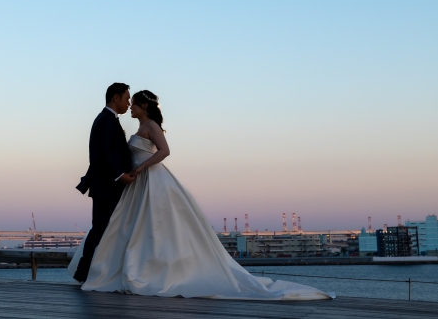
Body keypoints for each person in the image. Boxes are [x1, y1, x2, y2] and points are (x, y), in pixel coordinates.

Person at [69, 89, 335, 300]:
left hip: (152, 178)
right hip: (137, 182)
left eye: (134, 103)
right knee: (129, 226)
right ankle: (125, 267)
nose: (130, 106)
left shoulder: (150, 126)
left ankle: (155, 270)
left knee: (155, 225)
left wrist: (141, 167)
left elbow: (165, 152)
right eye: (128, 101)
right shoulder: (133, 127)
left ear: (144, 107)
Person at [72, 82, 135, 283]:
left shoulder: (109, 120)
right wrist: (120, 175)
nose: (128, 103)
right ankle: (85, 271)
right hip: (107, 186)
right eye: (127, 98)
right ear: (116, 97)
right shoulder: (105, 121)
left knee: (103, 228)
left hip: (109, 185)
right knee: (101, 228)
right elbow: (102, 154)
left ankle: (91, 271)